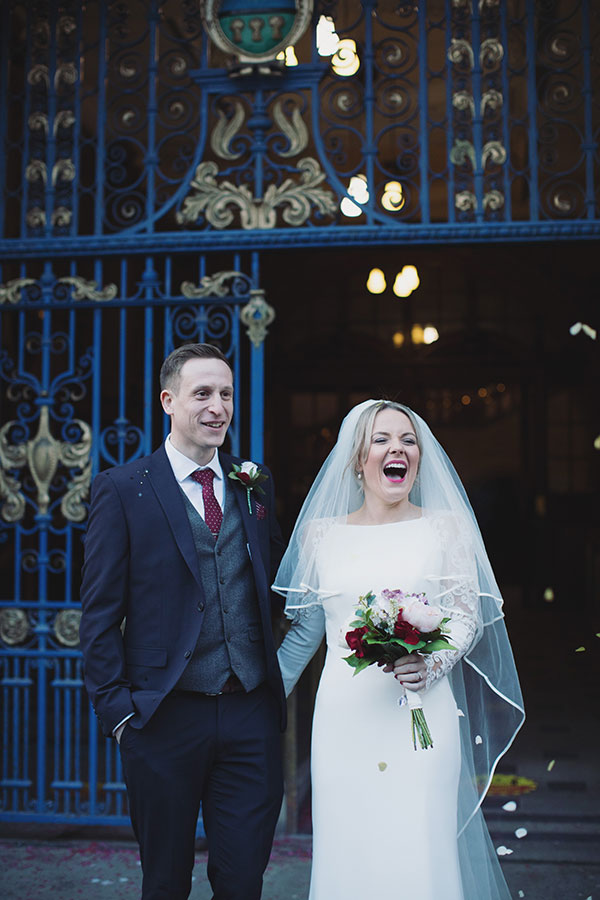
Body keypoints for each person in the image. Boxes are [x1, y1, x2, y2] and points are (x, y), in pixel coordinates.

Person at [274, 399, 525, 900]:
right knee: (350, 851)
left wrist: (429, 663)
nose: (399, 449)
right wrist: (253, 702)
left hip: (422, 720)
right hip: (343, 722)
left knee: (419, 850)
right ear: (356, 459)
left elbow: (464, 618)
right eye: (383, 439)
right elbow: (305, 633)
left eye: (409, 441)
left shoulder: (445, 529)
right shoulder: (322, 535)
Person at [79, 343, 286, 900]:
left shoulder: (254, 484)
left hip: (249, 714)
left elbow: (284, 587)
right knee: (165, 882)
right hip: (163, 717)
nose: (217, 406)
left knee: (242, 882)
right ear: (168, 401)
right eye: (202, 394)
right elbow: (97, 615)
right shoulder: (123, 489)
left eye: (225, 394)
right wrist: (119, 713)